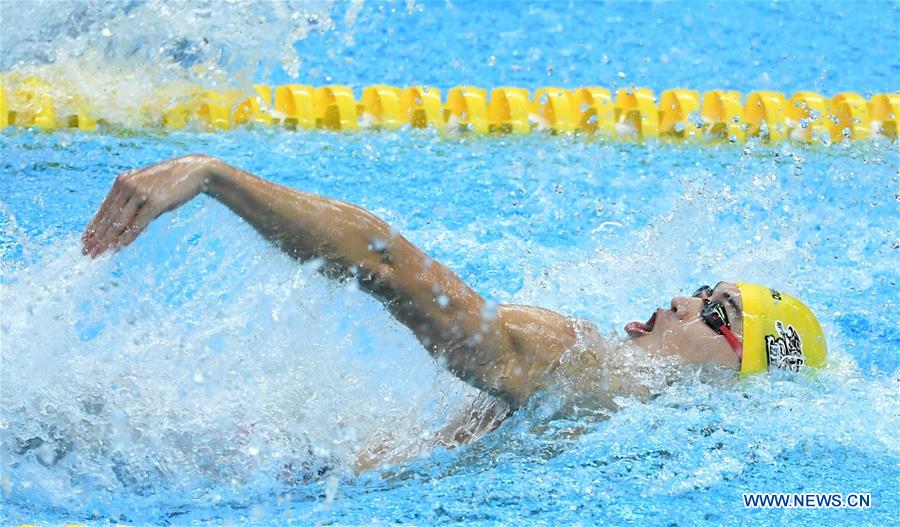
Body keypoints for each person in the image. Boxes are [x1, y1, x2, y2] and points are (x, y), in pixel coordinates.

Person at [81, 154, 827, 469]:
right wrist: (216, 177)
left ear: (740, 368)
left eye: (713, 309)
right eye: (700, 288)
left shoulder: (637, 414)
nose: (679, 300)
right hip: (272, 478)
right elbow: (390, 267)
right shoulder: (579, 360)